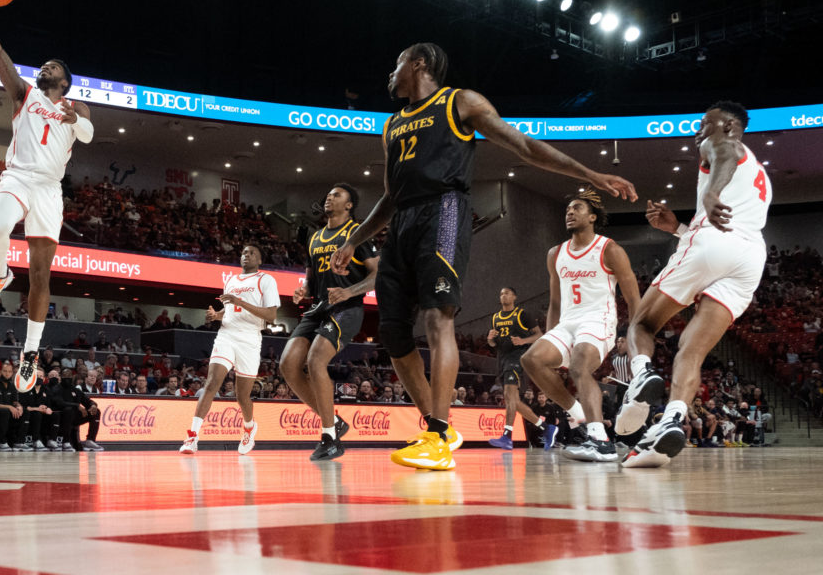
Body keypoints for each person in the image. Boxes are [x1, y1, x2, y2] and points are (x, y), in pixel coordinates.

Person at [330, 43, 635, 470]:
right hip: (401, 224)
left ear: (418, 64)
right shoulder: (392, 124)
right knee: (394, 335)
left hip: (444, 210)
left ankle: (438, 433)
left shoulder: (460, 102)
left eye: (396, 63)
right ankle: (437, 427)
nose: (390, 73)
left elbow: (524, 145)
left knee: (438, 316)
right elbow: (390, 195)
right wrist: (354, 239)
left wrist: (588, 174)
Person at [617, 102, 772, 468]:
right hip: (750, 258)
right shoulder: (759, 172)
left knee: (642, 323)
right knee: (691, 350)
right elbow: (731, 232)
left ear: (730, 125)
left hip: (714, 240)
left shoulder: (723, 142)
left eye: (705, 122)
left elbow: (723, 152)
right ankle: (671, 420)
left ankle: (641, 376)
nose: (698, 128)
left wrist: (710, 194)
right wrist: (677, 228)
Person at [0, 0, 93, 394]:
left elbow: (89, 135)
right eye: (44, 65)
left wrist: (75, 119)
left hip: (49, 190)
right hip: (19, 176)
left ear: (64, 82)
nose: (44, 67)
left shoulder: (77, 108)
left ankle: (30, 353)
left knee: (41, 275)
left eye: (52, 67)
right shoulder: (24, 94)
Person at [522, 189, 640, 462]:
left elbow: (634, 298)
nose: (570, 212)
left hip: (599, 320)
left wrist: (636, 338)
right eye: (567, 209)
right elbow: (555, 301)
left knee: (579, 366)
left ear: (593, 217)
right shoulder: (555, 253)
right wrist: (551, 336)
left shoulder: (609, 249)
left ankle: (601, 441)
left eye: (577, 208)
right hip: (568, 322)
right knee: (531, 359)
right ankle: (578, 414)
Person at [282, 183, 379, 461]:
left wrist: (349, 291)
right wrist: (304, 290)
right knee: (287, 365)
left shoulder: (357, 233)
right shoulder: (314, 238)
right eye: (328, 194)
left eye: (337, 195)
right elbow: (311, 280)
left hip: (347, 308)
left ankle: (330, 438)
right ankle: (334, 422)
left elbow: (378, 275)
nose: (329, 197)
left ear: (349, 205)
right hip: (319, 307)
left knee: (315, 360)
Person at [179, 244, 279, 456]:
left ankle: (249, 427)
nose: (246, 255)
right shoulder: (231, 280)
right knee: (211, 383)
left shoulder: (266, 280)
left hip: (250, 338)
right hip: (227, 334)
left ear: (260, 260)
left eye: (251, 253)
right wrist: (216, 316)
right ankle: (192, 437)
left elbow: (271, 316)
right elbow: (230, 310)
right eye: (244, 253)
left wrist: (239, 301)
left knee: (242, 397)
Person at [485, 287, 554, 450]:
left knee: (510, 396)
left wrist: (523, 341)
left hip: (516, 358)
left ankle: (507, 436)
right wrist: (490, 340)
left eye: (507, 293)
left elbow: (539, 334)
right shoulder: (495, 317)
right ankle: (546, 428)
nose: (503, 295)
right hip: (502, 359)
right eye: (501, 293)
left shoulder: (522, 314)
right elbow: (493, 344)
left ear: (514, 297)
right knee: (512, 401)